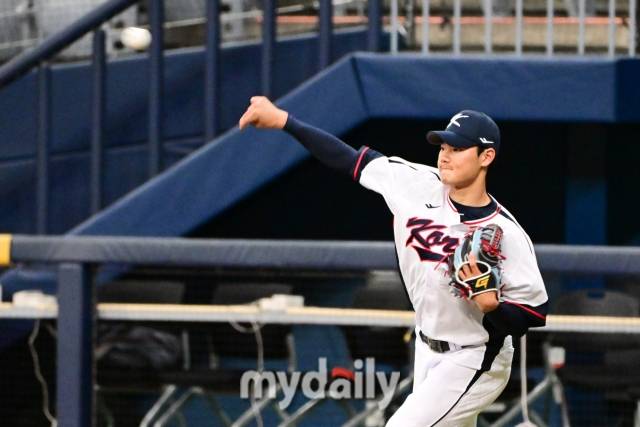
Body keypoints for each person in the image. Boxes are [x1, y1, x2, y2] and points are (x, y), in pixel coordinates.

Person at [239, 97, 549, 426]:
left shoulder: (506, 233)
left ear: (486, 156)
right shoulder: (414, 183)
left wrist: (494, 308)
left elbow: (534, 313)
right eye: (443, 145)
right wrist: (286, 121)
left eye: (458, 148)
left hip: (476, 355)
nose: (445, 154)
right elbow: (348, 160)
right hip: (426, 346)